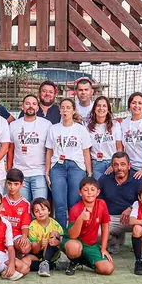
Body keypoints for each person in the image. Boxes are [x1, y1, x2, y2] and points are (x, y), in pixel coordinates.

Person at [45, 97, 93, 228]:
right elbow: (49, 151)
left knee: (74, 203)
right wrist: (47, 171)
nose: (65, 110)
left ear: (74, 110)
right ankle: (61, 236)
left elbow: (86, 152)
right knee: (60, 204)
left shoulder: (81, 129)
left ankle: (73, 234)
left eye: (68, 108)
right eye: (63, 108)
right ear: (60, 110)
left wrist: (89, 172)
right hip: (57, 167)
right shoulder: (53, 129)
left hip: (76, 167)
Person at [63, 177, 114, 276]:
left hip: (91, 244)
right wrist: (81, 219)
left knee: (108, 269)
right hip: (75, 241)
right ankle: (74, 261)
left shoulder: (102, 204)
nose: (89, 192)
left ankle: (84, 261)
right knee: (74, 247)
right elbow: (73, 235)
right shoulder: (75, 209)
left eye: (92, 189)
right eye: (86, 190)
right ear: (80, 192)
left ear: (98, 192)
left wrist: (103, 248)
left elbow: (105, 226)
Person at [8, 94, 52, 202]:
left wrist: (47, 171)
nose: (30, 106)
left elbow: (50, 151)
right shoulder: (13, 125)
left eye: (34, 104)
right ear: (22, 107)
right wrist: (9, 171)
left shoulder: (47, 125)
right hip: (19, 173)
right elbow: (10, 150)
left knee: (40, 207)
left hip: (39, 173)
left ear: (37, 107)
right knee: (23, 208)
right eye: (27, 103)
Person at [98, 152, 140, 254]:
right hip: (111, 218)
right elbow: (97, 199)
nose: (119, 168)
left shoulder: (137, 179)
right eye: (116, 165)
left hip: (131, 217)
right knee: (96, 234)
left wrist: (131, 208)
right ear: (112, 166)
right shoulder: (104, 179)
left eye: (123, 164)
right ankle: (114, 240)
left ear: (129, 166)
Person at [23, 198, 64, 277]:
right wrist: (40, 243)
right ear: (34, 214)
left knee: (54, 234)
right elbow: (34, 250)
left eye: (43, 209)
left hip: (51, 252)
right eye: (37, 211)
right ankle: (51, 265)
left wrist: (57, 242)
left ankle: (46, 262)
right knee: (24, 262)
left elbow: (62, 243)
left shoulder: (55, 225)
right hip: (38, 254)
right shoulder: (32, 226)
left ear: (49, 211)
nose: (40, 213)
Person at [87, 96, 123, 179]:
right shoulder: (88, 127)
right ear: (94, 109)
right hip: (96, 163)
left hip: (112, 162)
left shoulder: (115, 125)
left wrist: (115, 164)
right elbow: (87, 151)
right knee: (98, 190)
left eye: (104, 106)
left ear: (108, 109)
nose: (101, 108)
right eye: (98, 105)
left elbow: (119, 147)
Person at [1, 168, 32, 256]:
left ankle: (15, 254)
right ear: (6, 183)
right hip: (1, 234)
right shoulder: (0, 201)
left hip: (16, 235)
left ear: (21, 184)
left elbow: (25, 225)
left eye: (16, 184)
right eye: (9, 183)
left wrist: (24, 236)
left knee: (25, 247)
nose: (12, 187)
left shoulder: (25, 204)